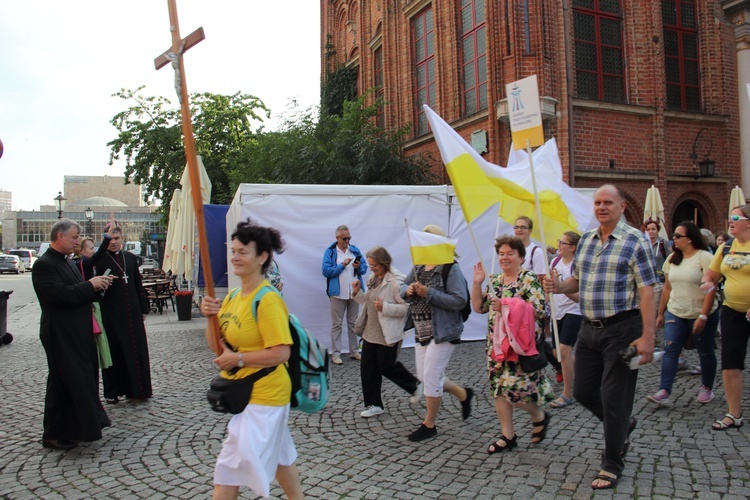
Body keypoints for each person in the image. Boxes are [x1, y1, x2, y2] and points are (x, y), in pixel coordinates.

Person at [542, 184, 657, 490]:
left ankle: (612, 462)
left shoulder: (636, 241)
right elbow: (577, 283)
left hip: (623, 329)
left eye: (608, 202)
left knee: (614, 397)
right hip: (589, 328)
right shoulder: (588, 241)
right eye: (597, 202)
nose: (601, 207)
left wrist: (648, 335)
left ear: (622, 207)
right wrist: (558, 286)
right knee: (582, 391)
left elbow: (647, 291)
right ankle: (623, 427)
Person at [200, 220, 302, 500]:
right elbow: (218, 349)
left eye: (243, 251)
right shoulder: (233, 297)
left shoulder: (267, 299)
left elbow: (282, 353)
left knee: (229, 466)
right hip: (246, 392)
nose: (235, 256)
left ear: (263, 256)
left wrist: (239, 359)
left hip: (266, 394)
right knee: (282, 457)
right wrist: (209, 317)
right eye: (233, 250)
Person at [32, 218, 114, 450]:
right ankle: (55, 432)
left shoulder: (67, 262)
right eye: (74, 237)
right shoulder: (44, 265)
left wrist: (98, 287)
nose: (77, 241)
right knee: (64, 381)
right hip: (60, 332)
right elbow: (59, 295)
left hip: (78, 330)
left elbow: (80, 292)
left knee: (82, 378)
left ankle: (78, 428)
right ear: (60, 236)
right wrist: (90, 285)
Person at [471, 236, 554, 453]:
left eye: (510, 253)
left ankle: (539, 415)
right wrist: (477, 284)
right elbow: (479, 308)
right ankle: (508, 435)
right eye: (501, 253)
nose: (504, 257)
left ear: (520, 256)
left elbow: (539, 310)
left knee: (516, 392)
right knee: (499, 390)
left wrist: (506, 304)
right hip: (497, 345)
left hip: (519, 346)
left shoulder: (528, 278)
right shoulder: (495, 280)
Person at [400, 224, 473, 442]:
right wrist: (409, 290)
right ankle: (463, 394)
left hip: (443, 331)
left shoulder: (451, 267)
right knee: (425, 377)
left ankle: (429, 424)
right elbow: (401, 288)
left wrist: (428, 293)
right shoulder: (419, 265)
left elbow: (460, 300)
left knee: (431, 376)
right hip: (422, 330)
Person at [648, 222, 718, 406]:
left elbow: (711, 288)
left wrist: (703, 316)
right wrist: (660, 312)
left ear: (690, 238)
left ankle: (707, 388)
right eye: (674, 235)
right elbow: (667, 288)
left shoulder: (705, 257)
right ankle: (664, 390)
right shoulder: (672, 258)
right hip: (676, 311)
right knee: (671, 350)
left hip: (701, 312)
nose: (674, 239)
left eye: (678, 236)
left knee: (705, 351)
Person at [351, 246, 420, 418]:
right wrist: (357, 292)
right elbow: (368, 302)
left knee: (387, 367)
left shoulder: (395, 282)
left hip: (386, 333)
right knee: (367, 370)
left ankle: (415, 386)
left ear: (383, 263)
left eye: (374, 265)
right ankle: (374, 404)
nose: (371, 268)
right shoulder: (373, 279)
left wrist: (385, 307)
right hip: (370, 332)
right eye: (370, 265)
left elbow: (405, 308)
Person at [700, 204, 750, 431]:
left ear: (748, 222)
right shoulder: (726, 247)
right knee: (730, 363)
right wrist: (708, 282)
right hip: (732, 310)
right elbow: (712, 274)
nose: (730, 220)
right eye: (729, 216)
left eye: (736, 217)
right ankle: (734, 414)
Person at [95, 225, 152, 404]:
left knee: (137, 349)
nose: (113, 242)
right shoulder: (100, 260)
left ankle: (138, 389)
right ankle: (113, 391)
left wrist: (144, 308)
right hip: (111, 312)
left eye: (117, 238)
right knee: (114, 351)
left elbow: (137, 283)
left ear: (122, 239)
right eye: (110, 239)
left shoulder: (130, 257)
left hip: (133, 311)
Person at [322, 225, 368, 364]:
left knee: (353, 323)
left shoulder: (354, 250)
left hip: (354, 293)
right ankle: (336, 354)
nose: (347, 240)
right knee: (337, 324)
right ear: (337, 238)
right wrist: (342, 265)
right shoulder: (330, 252)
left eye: (349, 237)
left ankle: (354, 351)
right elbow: (326, 271)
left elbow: (364, 269)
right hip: (337, 293)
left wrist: (358, 267)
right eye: (344, 238)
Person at [548, 231, 582, 409]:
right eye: (559, 241)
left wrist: (561, 288)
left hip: (574, 311)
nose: (559, 245)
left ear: (573, 247)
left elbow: (580, 298)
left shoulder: (577, 266)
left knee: (564, 351)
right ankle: (585, 372)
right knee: (557, 354)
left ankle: (568, 393)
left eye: (563, 242)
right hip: (557, 312)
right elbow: (549, 288)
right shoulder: (554, 262)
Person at [73, 234, 114, 370]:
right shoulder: (84, 262)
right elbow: (99, 255)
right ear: (81, 250)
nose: (93, 251)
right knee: (98, 339)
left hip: (88, 304)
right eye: (90, 248)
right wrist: (107, 238)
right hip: (91, 306)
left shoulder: (76, 263)